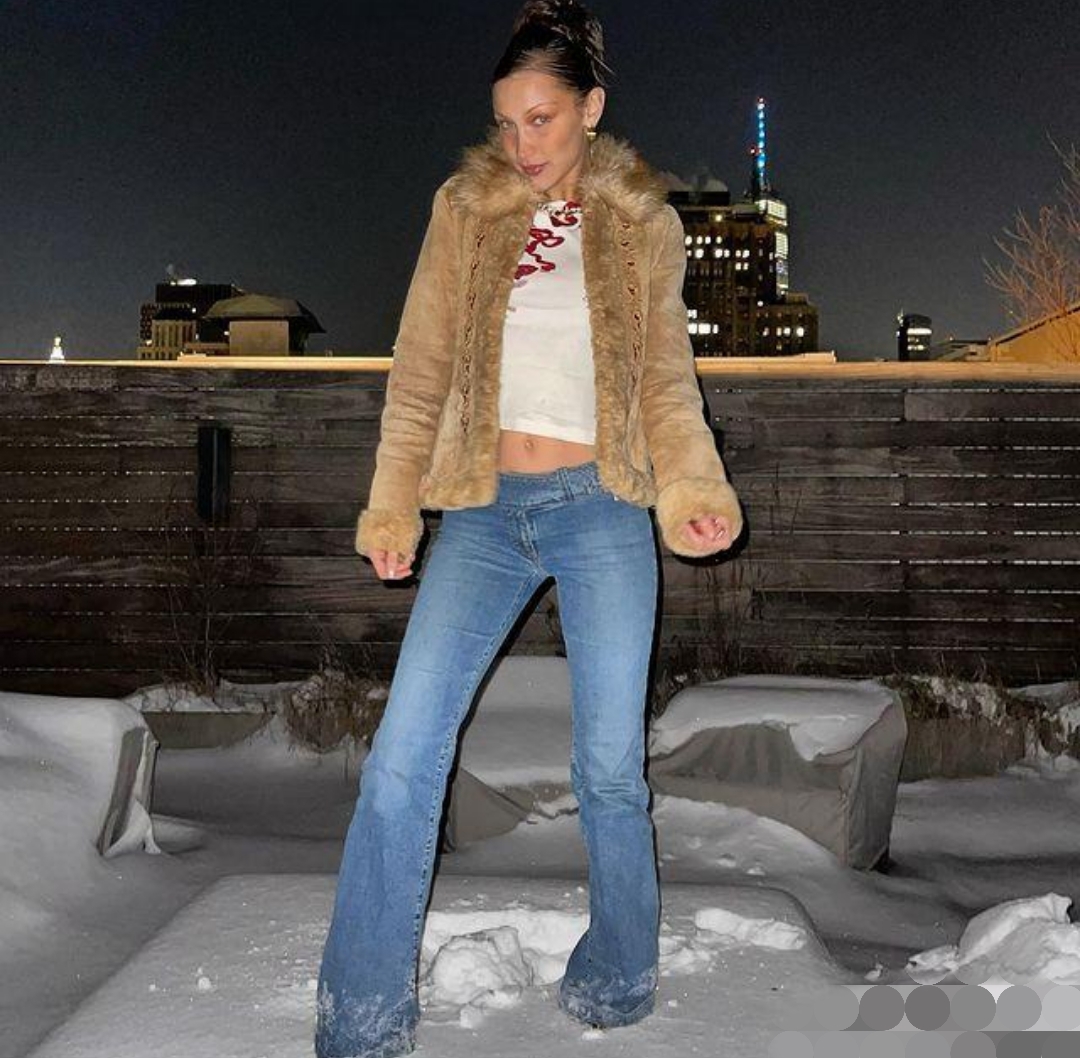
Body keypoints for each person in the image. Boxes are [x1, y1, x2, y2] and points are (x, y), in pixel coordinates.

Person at [314, 2, 743, 1055]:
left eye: (542, 118)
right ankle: (361, 1017)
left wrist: (693, 487)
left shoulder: (643, 222)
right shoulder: (465, 208)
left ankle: (618, 976)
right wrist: (393, 500)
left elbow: (665, 382)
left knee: (608, 768)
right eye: (506, 123)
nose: (523, 143)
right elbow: (420, 371)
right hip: (483, 512)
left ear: (590, 109)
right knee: (402, 755)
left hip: (602, 506)